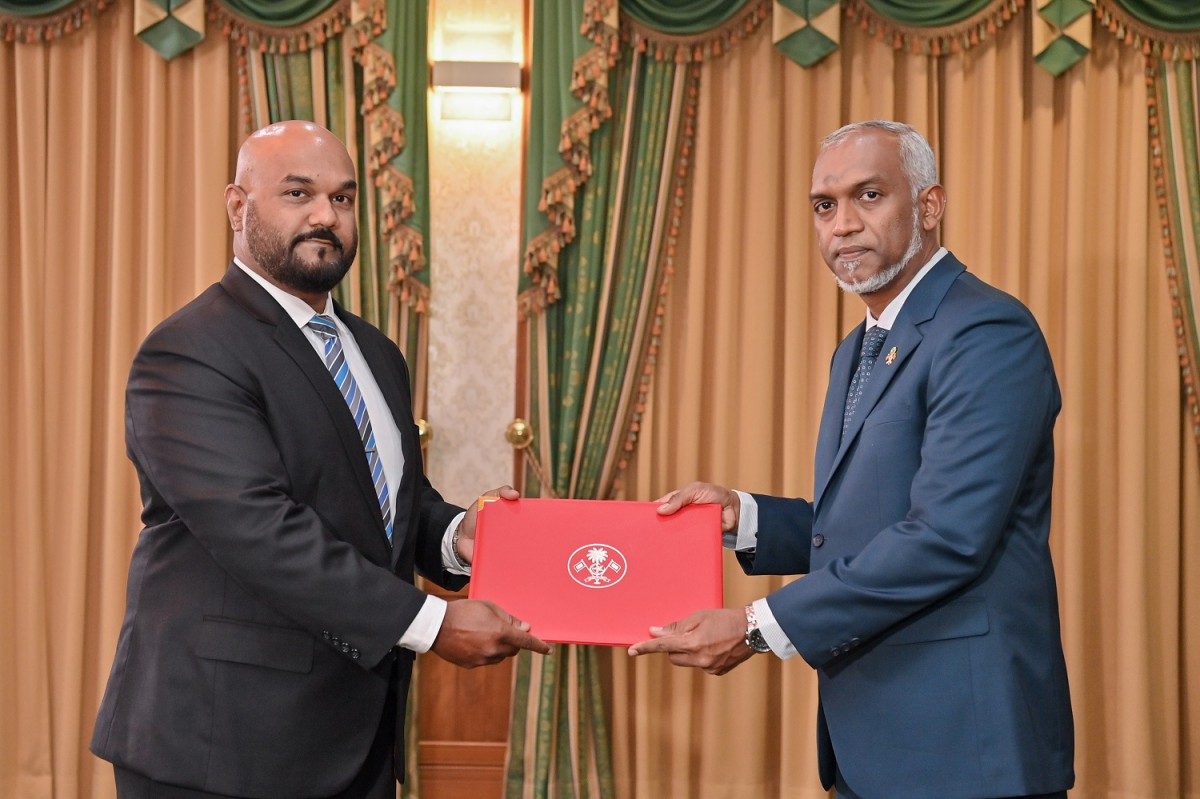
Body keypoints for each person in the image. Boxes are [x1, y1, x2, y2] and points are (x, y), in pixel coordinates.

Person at [91, 120, 550, 799]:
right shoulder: (190, 350)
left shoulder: (377, 353)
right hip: (221, 746)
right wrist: (431, 623)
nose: (325, 216)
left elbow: (387, 503)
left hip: (356, 738)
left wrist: (458, 535)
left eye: (343, 198)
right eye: (298, 193)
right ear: (237, 207)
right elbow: (259, 528)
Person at [628, 120, 1074, 799]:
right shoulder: (857, 348)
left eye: (869, 195)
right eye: (824, 205)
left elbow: (946, 536)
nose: (842, 225)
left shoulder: (986, 330)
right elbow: (866, 524)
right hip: (871, 744)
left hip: (965, 747)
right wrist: (743, 518)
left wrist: (757, 627)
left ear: (928, 205)